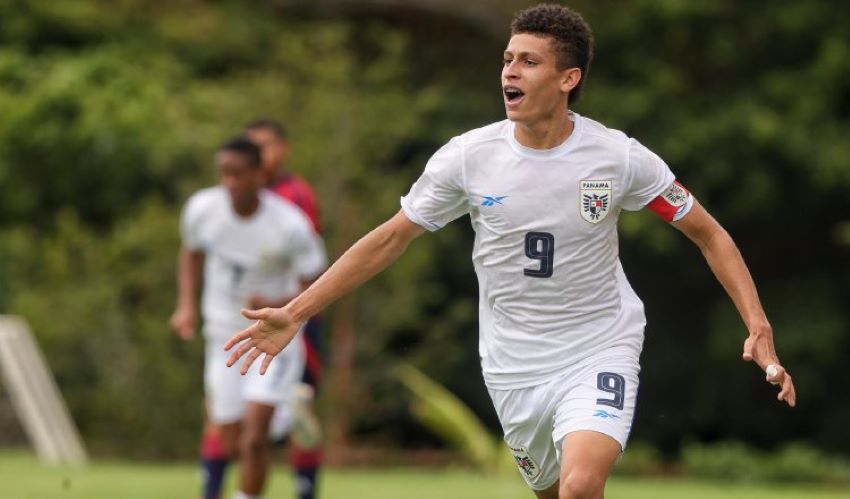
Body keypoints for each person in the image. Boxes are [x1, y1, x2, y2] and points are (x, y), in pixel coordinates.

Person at [223, 4, 797, 499]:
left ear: (568, 77)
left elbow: (709, 232)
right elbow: (390, 238)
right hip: (512, 364)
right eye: (506, 59)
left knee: (580, 486)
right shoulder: (468, 158)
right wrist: (296, 313)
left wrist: (757, 322)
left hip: (600, 343)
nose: (509, 72)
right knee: (552, 492)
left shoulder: (618, 158)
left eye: (528, 61)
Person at [170, 137, 326, 499]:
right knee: (228, 439)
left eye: (238, 174)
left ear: (259, 175)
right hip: (223, 335)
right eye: (224, 174)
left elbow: (316, 284)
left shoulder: (289, 224)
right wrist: (186, 306)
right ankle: (288, 413)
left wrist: (280, 303)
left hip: (272, 338)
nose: (230, 182)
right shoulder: (202, 209)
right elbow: (191, 254)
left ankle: (279, 417)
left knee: (254, 437)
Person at [245, 119, 325, 499]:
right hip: (249, 317)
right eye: (252, 147)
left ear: (283, 149)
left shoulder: (295, 195)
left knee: (298, 407)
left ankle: (305, 491)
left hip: (296, 319)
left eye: (267, 146)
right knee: (233, 415)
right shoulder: (240, 195)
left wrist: (284, 303)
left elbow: (308, 264)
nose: (261, 155)